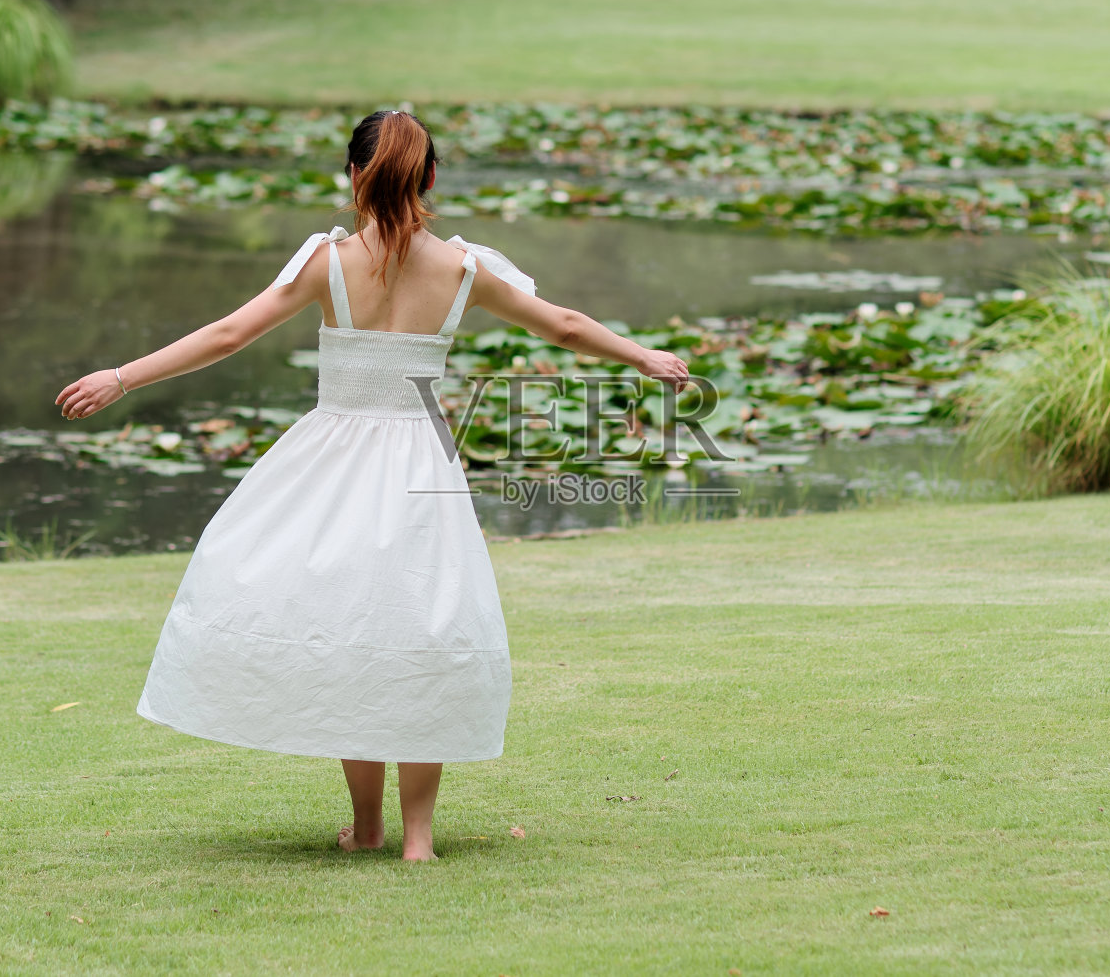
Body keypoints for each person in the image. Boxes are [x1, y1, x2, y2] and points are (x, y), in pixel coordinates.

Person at [55, 110, 689, 861]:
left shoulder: (328, 262)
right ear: (430, 180)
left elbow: (228, 335)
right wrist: (642, 354)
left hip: (332, 463)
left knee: (354, 626)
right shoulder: (463, 269)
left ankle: (368, 826)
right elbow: (566, 323)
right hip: (421, 461)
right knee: (419, 626)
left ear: (353, 176)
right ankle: (416, 837)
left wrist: (122, 376)